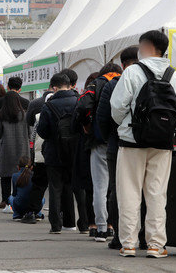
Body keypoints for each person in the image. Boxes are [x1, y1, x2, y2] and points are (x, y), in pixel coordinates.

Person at [111, 30, 176, 258]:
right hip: (162, 142)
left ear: (146, 46)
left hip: (132, 140)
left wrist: (128, 123)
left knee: (129, 193)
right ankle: (155, 245)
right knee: (156, 193)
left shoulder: (133, 71)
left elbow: (117, 106)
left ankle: (129, 244)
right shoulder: (174, 75)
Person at [97, 46, 146, 250]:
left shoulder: (114, 84)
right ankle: (145, 237)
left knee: (118, 191)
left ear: (123, 64)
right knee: (146, 191)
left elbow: (102, 116)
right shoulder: (152, 81)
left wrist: (110, 136)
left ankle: (120, 236)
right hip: (148, 144)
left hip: (118, 144)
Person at [76, 63, 123, 242]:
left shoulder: (96, 84)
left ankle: (101, 228)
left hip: (98, 142)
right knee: (120, 187)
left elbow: (81, 107)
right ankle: (116, 227)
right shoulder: (126, 81)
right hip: (123, 141)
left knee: (100, 186)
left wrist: (87, 125)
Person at [37, 73, 79, 234]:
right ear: (69, 85)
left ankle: (55, 225)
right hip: (74, 151)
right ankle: (73, 222)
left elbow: (42, 131)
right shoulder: (77, 102)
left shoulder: (49, 106)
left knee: (55, 188)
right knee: (73, 186)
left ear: (54, 88)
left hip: (54, 151)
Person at [21, 86, 55, 224]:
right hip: (59, 157)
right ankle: (60, 215)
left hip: (41, 156)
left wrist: (33, 157)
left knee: (38, 185)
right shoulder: (64, 113)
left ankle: (32, 212)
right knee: (58, 187)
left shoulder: (38, 116)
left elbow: (34, 138)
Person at [72, 72, 98, 235]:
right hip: (104, 145)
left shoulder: (83, 102)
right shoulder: (107, 99)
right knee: (106, 188)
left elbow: (74, 127)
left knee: (89, 188)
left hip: (85, 148)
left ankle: (92, 223)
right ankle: (109, 224)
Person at [0, 90, 30, 212]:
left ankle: (6, 201)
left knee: (5, 176)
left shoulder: (1, 114)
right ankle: (17, 199)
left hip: (6, 148)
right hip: (22, 148)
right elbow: (30, 132)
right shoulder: (24, 114)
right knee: (20, 174)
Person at [9, 156, 37, 220]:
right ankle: (37, 213)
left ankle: (17, 214)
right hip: (33, 205)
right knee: (41, 198)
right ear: (31, 167)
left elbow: (14, 193)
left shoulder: (15, 176)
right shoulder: (34, 175)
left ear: (18, 167)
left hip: (19, 205)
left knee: (11, 198)